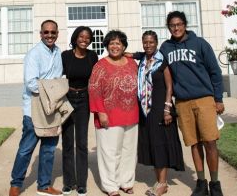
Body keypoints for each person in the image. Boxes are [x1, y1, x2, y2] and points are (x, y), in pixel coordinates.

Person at [159, 11, 225, 196]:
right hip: (182, 102)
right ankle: (201, 183)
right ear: (169, 27)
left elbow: (215, 72)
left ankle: (215, 183)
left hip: (204, 99)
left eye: (179, 24)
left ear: (185, 25)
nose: (176, 28)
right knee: (194, 144)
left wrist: (218, 99)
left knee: (210, 142)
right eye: (172, 25)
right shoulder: (166, 48)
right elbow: (154, 59)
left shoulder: (200, 43)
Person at [9, 20, 63, 196]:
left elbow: (60, 79)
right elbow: (32, 84)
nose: (49, 35)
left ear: (57, 34)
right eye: (46, 32)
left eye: (52, 32)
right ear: (40, 34)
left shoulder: (58, 52)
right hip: (34, 108)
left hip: (52, 108)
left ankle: (44, 184)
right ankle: (16, 184)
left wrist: (55, 89)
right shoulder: (34, 54)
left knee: (48, 149)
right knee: (26, 149)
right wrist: (54, 89)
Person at [88, 30, 139, 196]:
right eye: (112, 43)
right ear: (107, 46)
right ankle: (111, 186)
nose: (115, 46)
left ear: (124, 46)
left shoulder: (132, 63)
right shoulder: (100, 65)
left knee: (129, 151)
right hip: (108, 115)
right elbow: (94, 89)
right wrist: (100, 112)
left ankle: (126, 182)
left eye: (118, 43)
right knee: (110, 152)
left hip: (131, 113)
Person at [136, 31, 185, 196]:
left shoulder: (162, 61)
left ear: (156, 43)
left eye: (151, 42)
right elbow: (132, 54)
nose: (148, 45)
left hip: (160, 108)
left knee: (160, 145)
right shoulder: (143, 60)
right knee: (152, 144)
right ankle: (159, 182)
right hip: (146, 110)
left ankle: (162, 184)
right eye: (145, 42)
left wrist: (167, 109)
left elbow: (169, 87)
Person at [61, 26, 98, 196]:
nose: (84, 39)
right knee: (68, 142)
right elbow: (55, 73)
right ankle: (69, 182)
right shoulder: (65, 56)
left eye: (87, 37)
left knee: (81, 143)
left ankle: (81, 183)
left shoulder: (92, 56)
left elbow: (97, 79)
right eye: (81, 36)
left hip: (84, 100)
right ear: (75, 38)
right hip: (67, 99)